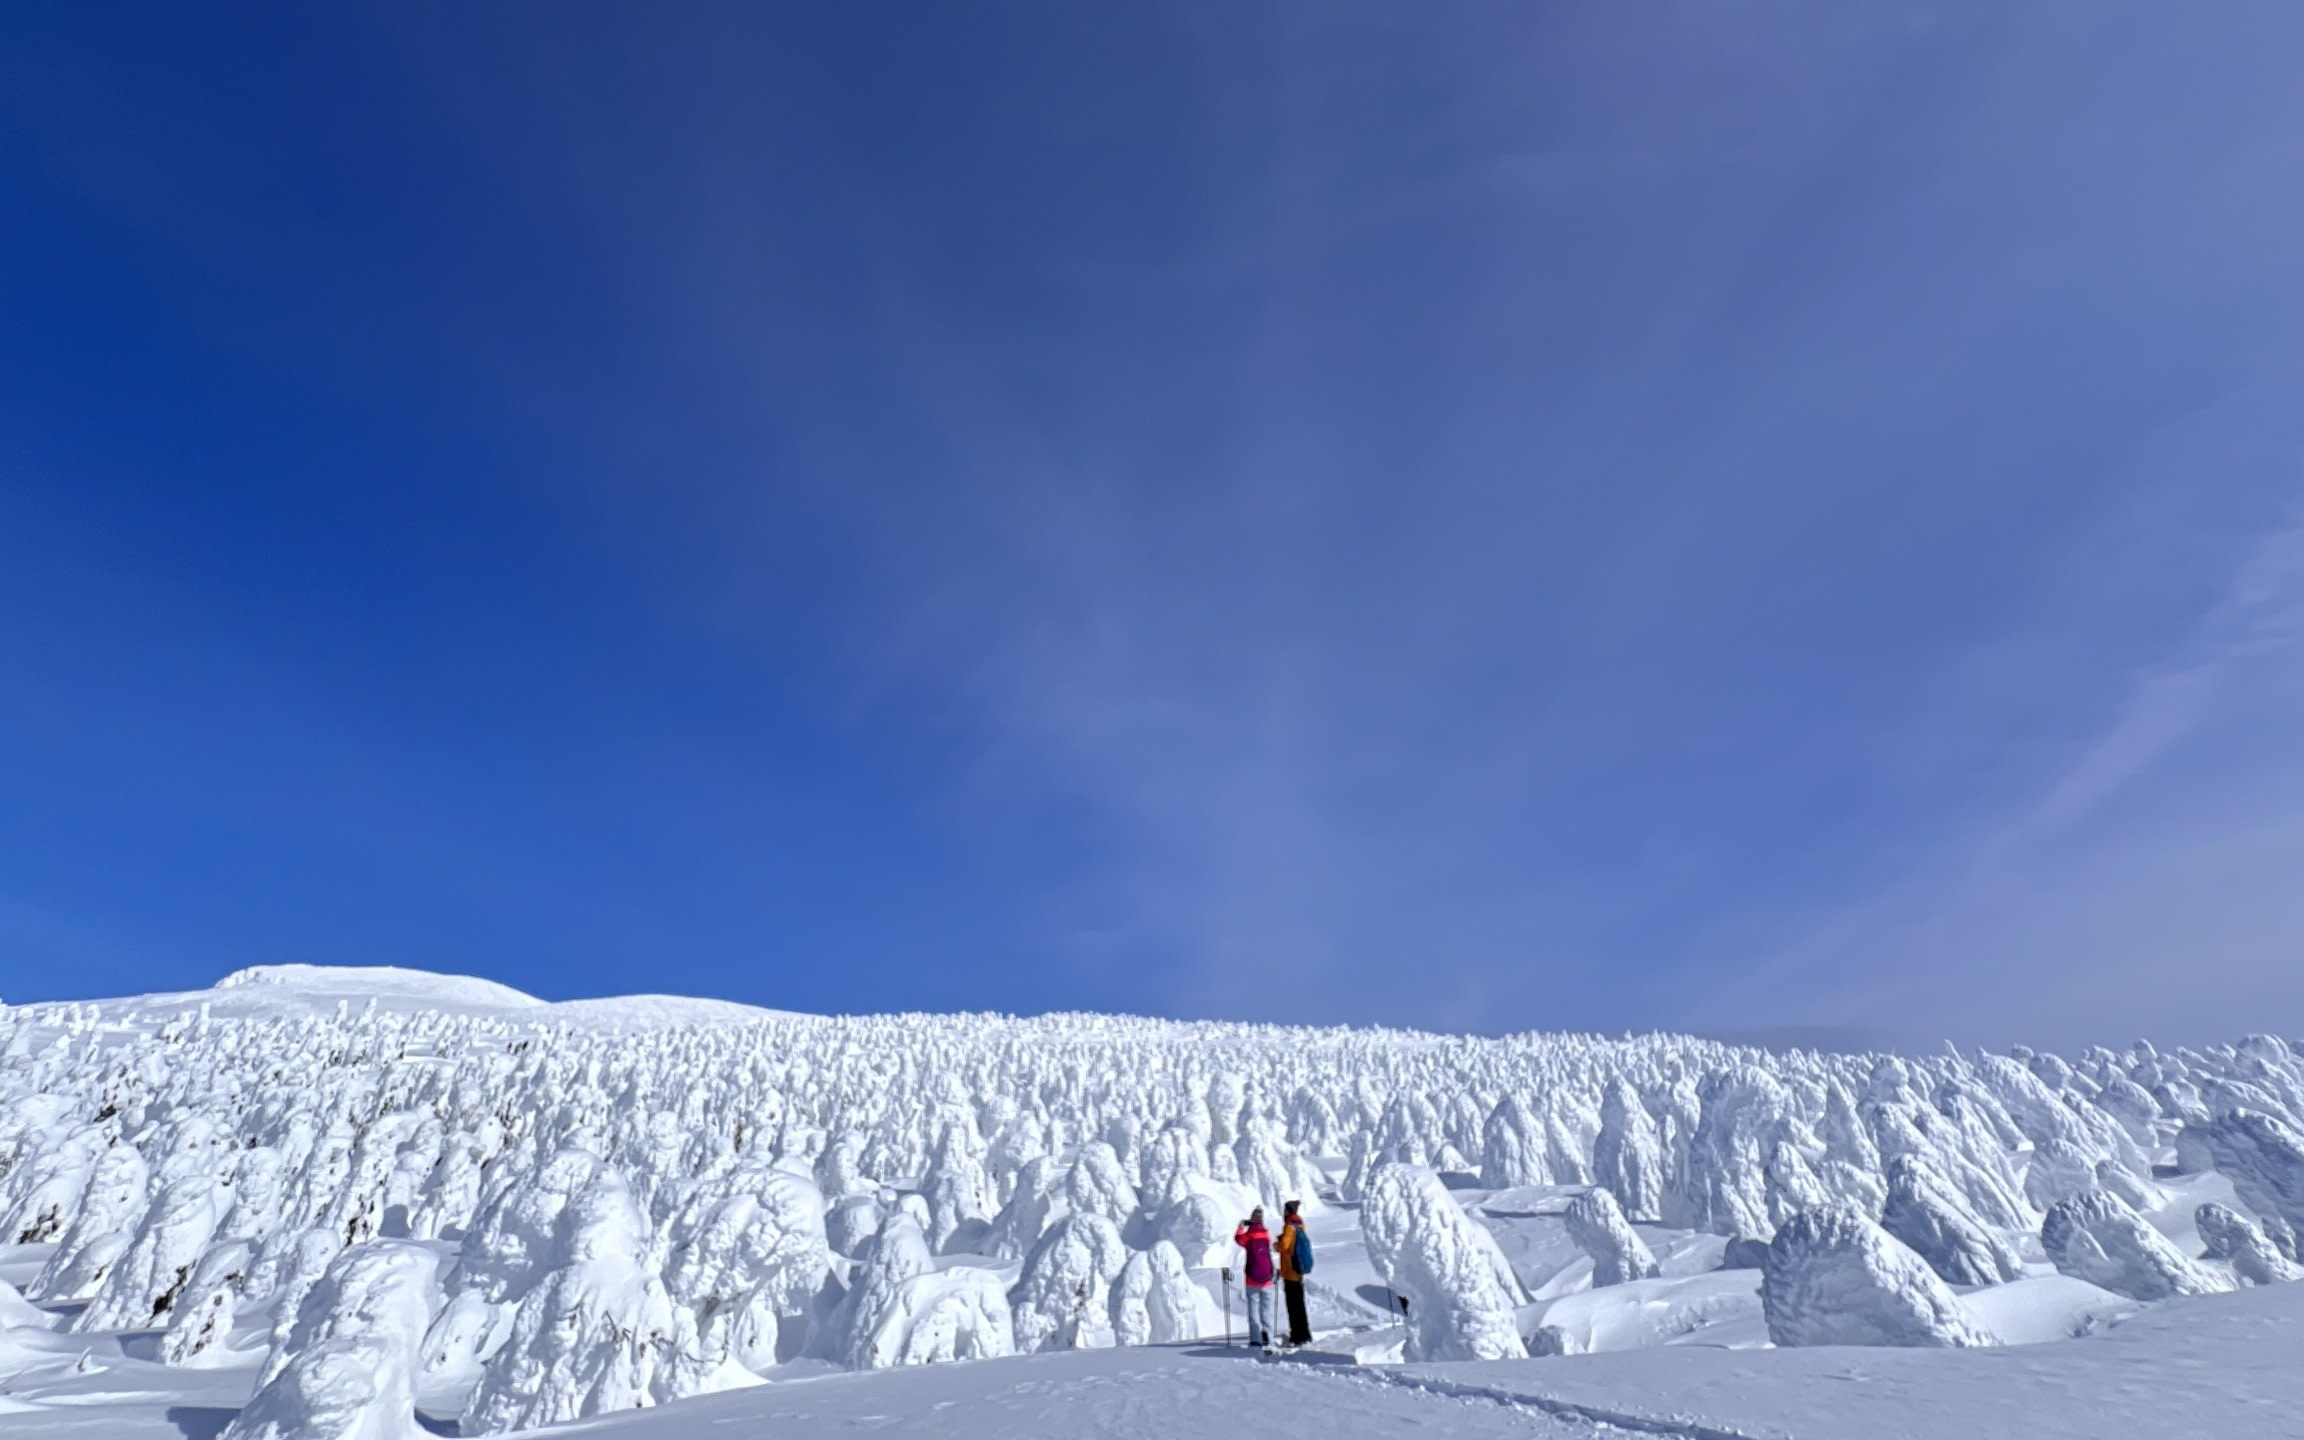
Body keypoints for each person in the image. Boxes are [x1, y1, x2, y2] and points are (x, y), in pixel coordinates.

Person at [1233, 1207, 1276, 1348]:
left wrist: (1241, 1227)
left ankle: (1255, 1340)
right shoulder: (1265, 1235)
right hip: (1267, 1280)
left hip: (1252, 1280)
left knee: (1253, 1310)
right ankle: (1269, 1338)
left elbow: (1238, 1239)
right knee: (1266, 1311)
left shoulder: (1249, 1235)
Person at [1275, 1199, 1313, 1346]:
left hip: (1291, 1271)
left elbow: (1285, 1246)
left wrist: (1276, 1245)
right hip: (1298, 1270)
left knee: (1293, 1305)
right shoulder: (1299, 1224)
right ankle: (1304, 1334)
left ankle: (1297, 1335)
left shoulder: (1289, 1227)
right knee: (1299, 1304)